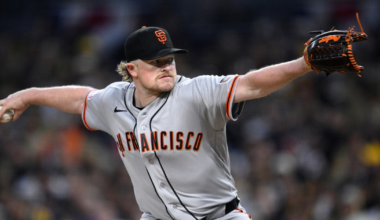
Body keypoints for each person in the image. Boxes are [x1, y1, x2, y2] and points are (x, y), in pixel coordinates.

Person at [0, 26, 311, 220]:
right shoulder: (114, 101)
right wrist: (28, 96)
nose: (167, 67)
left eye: (170, 59)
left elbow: (252, 84)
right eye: (156, 62)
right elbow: (80, 98)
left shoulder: (196, 92)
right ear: (132, 69)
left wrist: (303, 64)